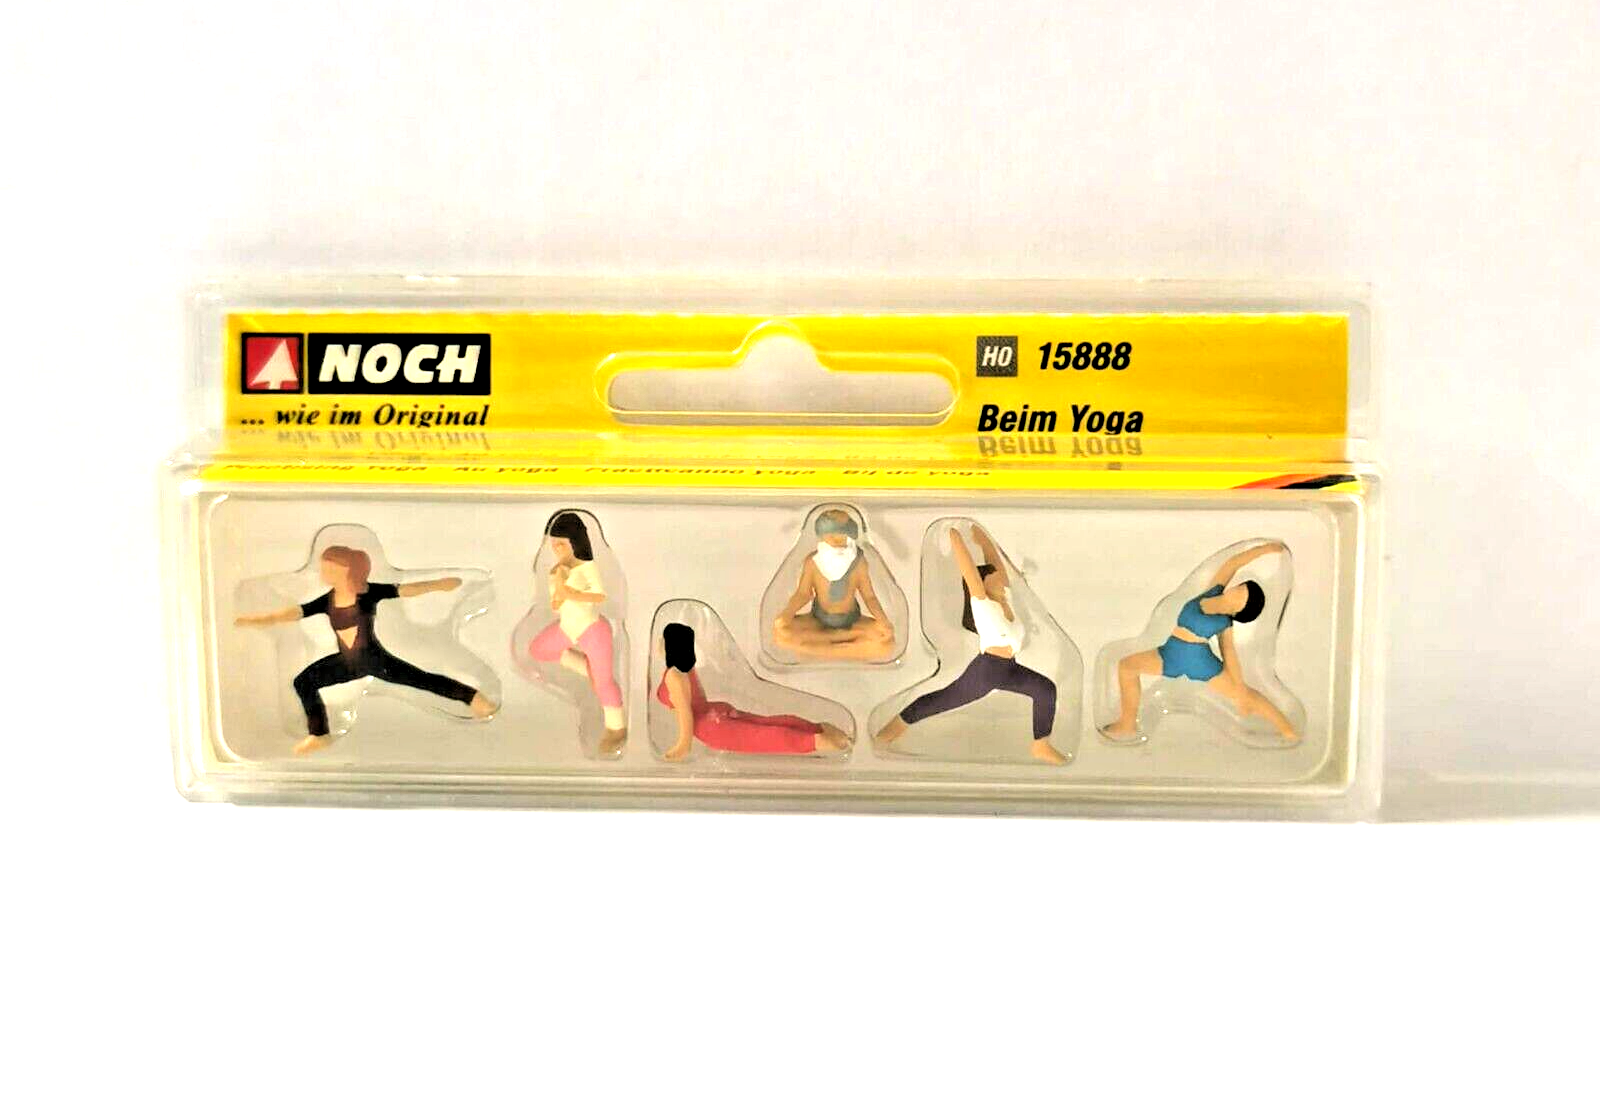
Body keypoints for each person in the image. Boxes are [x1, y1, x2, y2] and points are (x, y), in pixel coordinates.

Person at [236, 544, 496, 755]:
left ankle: (473, 698)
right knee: (304, 681)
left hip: (374, 660)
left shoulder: (369, 593)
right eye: (324, 567)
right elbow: (295, 613)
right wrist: (256, 620)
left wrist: (438, 584)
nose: (324, 571)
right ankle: (319, 735)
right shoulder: (327, 600)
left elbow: (405, 590)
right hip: (346, 662)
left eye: (329, 567)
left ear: (347, 570)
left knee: (421, 679)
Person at [876, 525, 1067, 764]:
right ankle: (888, 733)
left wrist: (983, 539)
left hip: (1010, 668)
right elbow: (969, 572)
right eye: (995, 577)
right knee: (940, 701)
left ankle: (1041, 745)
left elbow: (996, 564)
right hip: (986, 672)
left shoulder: (1006, 600)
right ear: (984, 584)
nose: (1002, 578)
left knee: (1045, 689)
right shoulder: (983, 604)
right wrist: (954, 535)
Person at [1101, 541, 1299, 742]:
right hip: (1170, 652)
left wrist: (1239, 688)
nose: (1235, 593)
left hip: (1198, 663)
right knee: (1127, 667)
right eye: (1240, 588)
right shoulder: (1212, 592)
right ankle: (1127, 724)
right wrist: (1263, 550)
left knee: (1245, 694)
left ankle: (1287, 729)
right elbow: (1231, 564)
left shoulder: (1224, 623)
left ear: (1239, 611)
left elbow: (1229, 653)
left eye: (1240, 598)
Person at [657, 623, 849, 761]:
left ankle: (816, 740)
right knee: (766, 724)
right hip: (714, 712)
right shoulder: (685, 669)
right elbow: (698, 699)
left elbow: (685, 713)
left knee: (761, 737)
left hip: (708, 727)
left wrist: (683, 745)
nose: (659, 644)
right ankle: (818, 729)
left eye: (663, 641)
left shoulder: (674, 676)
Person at [524, 512, 627, 750]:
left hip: (592, 629)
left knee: (604, 684)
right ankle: (590, 669)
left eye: (561, 543)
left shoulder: (586, 568)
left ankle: (616, 727)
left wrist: (572, 592)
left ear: (574, 542)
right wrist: (559, 582)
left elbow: (598, 596)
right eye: (554, 544)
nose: (557, 549)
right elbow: (556, 605)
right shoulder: (556, 571)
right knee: (539, 650)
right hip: (567, 628)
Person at [771, 508, 896, 661]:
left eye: (841, 534)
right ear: (821, 536)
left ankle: (817, 648)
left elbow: (869, 597)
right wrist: (786, 615)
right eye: (831, 534)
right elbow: (803, 594)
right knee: (782, 633)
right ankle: (844, 647)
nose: (836, 539)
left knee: (884, 640)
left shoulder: (859, 563)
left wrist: (883, 621)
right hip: (818, 621)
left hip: (852, 623)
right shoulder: (812, 562)